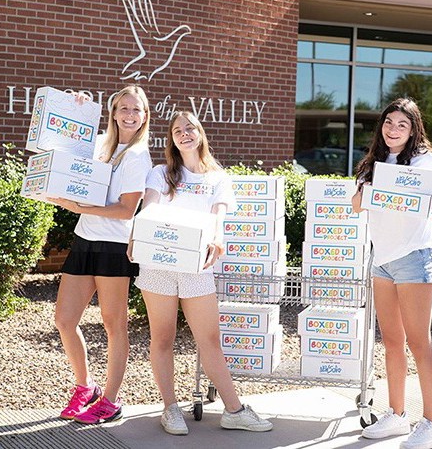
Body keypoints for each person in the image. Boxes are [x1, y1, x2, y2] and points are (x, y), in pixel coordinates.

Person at [131, 111, 273, 436]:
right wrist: (137, 235)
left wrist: (218, 237)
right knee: (163, 337)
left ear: (200, 133)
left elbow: (218, 216)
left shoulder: (216, 177)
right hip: (159, 265)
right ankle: (170, 409)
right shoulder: (160, 173)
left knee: (209, 339)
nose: (184, 134)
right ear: (172, 138)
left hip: (197, 266)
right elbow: (149, 208)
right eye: (178, 130)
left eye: (190, 128)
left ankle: (234, 410)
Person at [351, 97, 432, 449]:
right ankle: (397, 415)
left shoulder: (424, 160)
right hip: (382, 260)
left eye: (402, 124)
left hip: (415, 259)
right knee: (391, 342)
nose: (393, 129)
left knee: (420, 343)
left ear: (413, 129)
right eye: (389, 122)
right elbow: (356, 204)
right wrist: (366, 189)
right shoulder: (374, 161)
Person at [48, 85, 153, 424]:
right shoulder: (100, 144)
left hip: (113, 249)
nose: (129, 114)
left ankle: (110, 399)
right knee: (64, 320)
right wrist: (76, 107)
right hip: (84, 241)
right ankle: (85, 387)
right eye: (123, 108)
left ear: (145, 116)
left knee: (114, 326)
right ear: (114, 111)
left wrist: (81, 206)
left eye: (136, 109)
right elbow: (63, 144)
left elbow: (126, 211)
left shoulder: (138, 156)